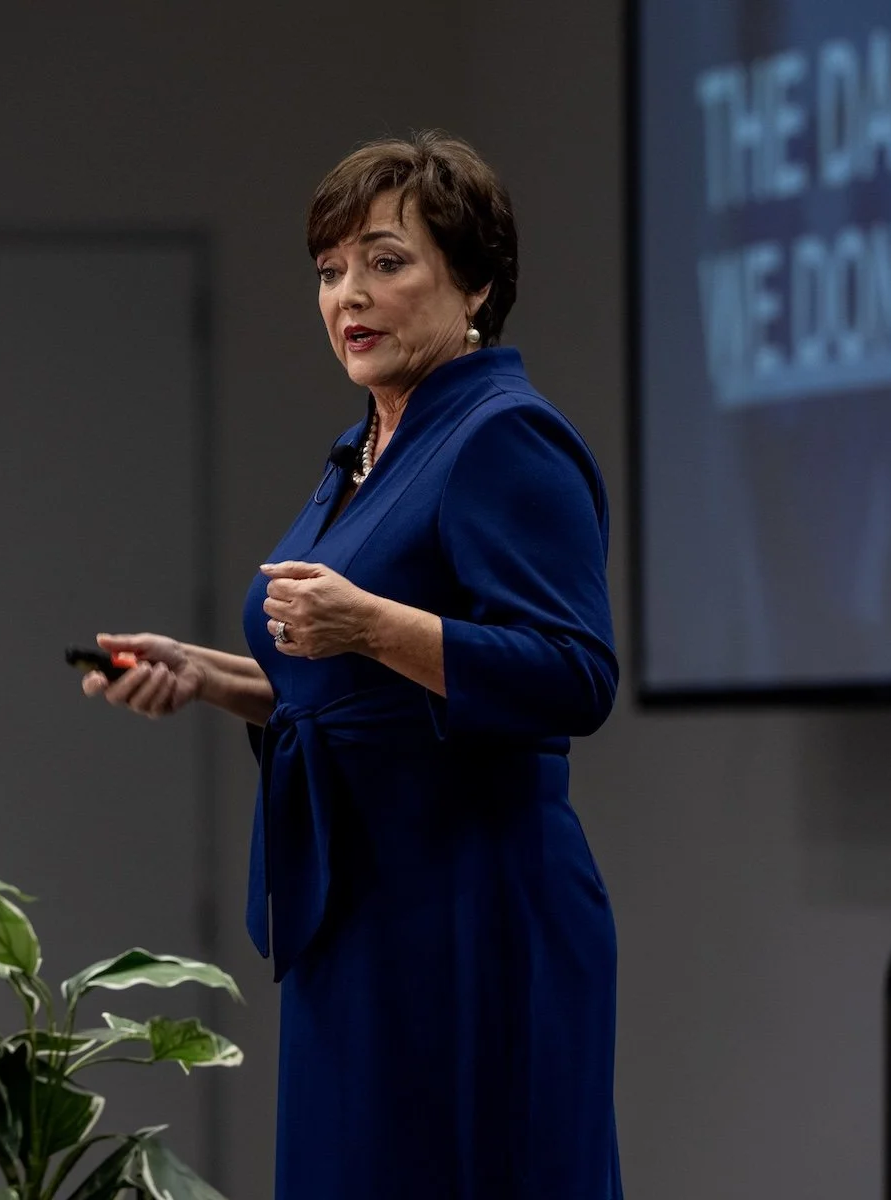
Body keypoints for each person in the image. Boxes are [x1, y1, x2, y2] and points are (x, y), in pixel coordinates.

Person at [82, 130, 623, 1199]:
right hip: (362, 909)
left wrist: (373, 624)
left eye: (386, 261)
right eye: (330, 271)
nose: (348, 298)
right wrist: (208, 673)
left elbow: (573, 674)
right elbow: (343, 689)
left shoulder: (502, 437)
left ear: (475, 283)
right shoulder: (366, 449)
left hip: (470, 914)